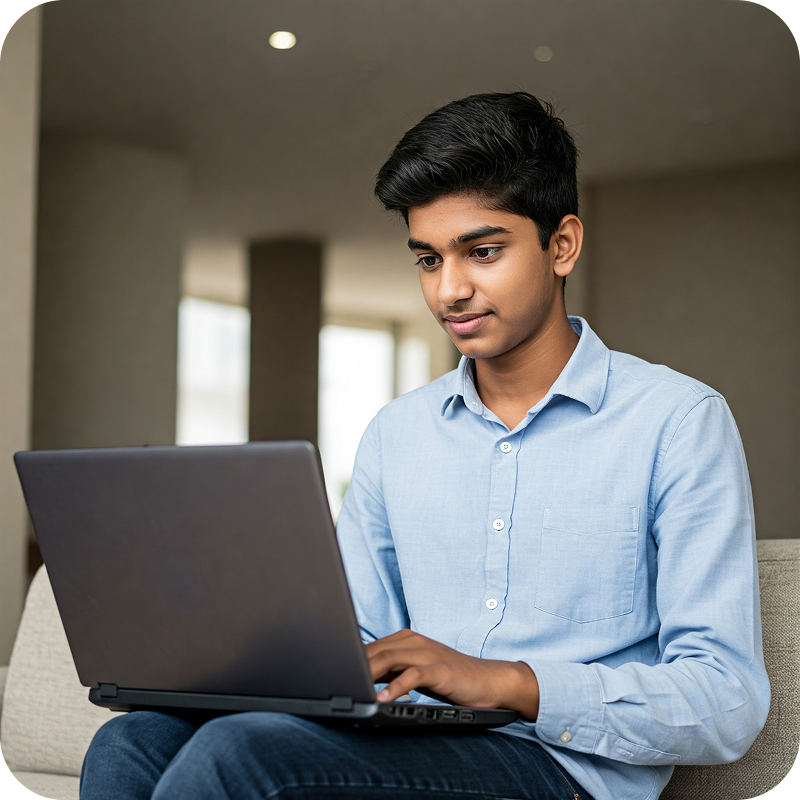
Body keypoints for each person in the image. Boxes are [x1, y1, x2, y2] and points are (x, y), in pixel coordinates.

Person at [79, 91, 769, 800]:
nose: (450, 291)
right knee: (131, 741)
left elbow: (727, 699)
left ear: (561, 244)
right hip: (404, 742)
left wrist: (505, 682)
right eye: (428, 260)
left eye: (483, 251)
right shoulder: (397, 434)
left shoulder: (677, 421)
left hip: (554, 768)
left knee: (242, 755)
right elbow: (357, 640)